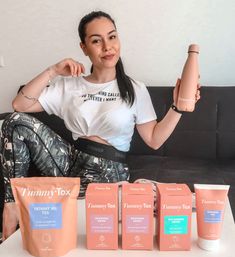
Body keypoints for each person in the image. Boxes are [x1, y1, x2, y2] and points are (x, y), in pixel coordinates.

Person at [0, 11, 200, 240]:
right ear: (84, 47)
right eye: (96, 40)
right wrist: (53, 71)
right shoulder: (70, 85)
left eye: (112, 37)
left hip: (108, 169)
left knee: (82, 232)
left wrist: (178, 107)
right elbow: (20, 105)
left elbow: (154, 140)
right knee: (13, 122)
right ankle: (11, 205)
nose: (107, 46)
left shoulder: (135, 89)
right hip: (69, 161)